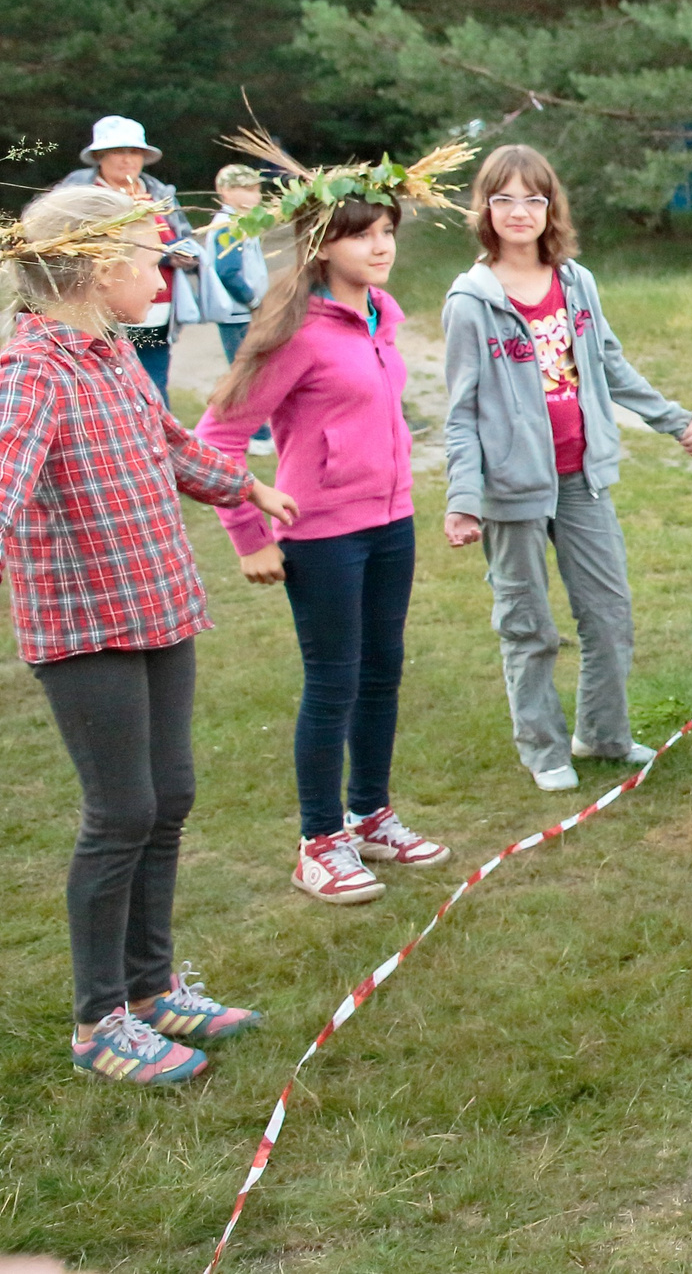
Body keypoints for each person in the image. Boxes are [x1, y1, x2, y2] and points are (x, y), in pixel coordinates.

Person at [0, 187, 297, 1084]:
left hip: (158, 605)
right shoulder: (32, 372)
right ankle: (100, 1023)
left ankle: (152, 985)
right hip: (84, 625)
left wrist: (245, 486)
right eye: (149, 256)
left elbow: (169, 443)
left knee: (168, 797)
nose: (163, 271)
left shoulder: (114, 355)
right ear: (99, 271)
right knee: (120, 811)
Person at [198, 134, 478, 908]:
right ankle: (318, 841)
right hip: (318, 533)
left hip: (391, 522)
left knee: (382, 671)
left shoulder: (381, 314)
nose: (382, 245)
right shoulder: (294, 333)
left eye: (388, 231)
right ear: (324, 244)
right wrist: (249, 534)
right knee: (334, 682)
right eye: (364, 233)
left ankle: (371, 814)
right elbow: (214, 438)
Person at [443, 146, 692, 791]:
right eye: (504, 199)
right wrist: (463, 497)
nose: (519, 212)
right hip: (510, 490)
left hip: (582, 477)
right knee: (528, 625)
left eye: (532, 199)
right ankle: (542, 748)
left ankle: (602, 735)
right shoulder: (470, 301)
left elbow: (610, 366)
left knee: (609, 615)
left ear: (550, 208)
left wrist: (676, 420)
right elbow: (460, 412)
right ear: (485, 209)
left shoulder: (576, 283)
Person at [63, 116, 196, 401]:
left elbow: (186, 239)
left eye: (134, 152)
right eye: (117, 151)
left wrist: (182, 253)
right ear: (99, 156)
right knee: (104, 381)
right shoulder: (81, 196)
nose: (127, 160)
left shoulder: (160, 195)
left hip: (156, 309)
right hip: (100, 308)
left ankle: (157, 440)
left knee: (153, 381)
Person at [196, 164, 273, 454]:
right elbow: (229, 272)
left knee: (253, 370)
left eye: (257, 189)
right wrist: (254, 301)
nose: (256, 195)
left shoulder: (242, 222)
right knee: (247, 373)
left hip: (242, 311)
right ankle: (256, 435)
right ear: (225, 192)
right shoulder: (229, 226)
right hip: (237, 313)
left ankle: (257, 432)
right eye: (247, 189)